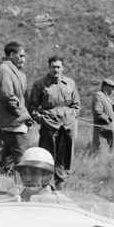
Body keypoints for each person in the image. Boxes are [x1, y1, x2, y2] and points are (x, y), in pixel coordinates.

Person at [28, 55, 80, 188]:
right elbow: (32, 108)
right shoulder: (40, 84)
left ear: (62, 68)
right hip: (49, 127)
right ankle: (45, 185)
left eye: (58, 67)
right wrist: (43, 120)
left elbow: (76, 105)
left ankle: (61, 184)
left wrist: (72, 117)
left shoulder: (70, 83)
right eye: (53, 67)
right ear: (49, 68)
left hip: (67, 127)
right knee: (46, 155)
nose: (55, 70)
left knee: (65, 156)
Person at [0, 41, 33, 170]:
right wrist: (24, 115)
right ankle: (21, 187)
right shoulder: (5, 71)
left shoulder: (13, 72)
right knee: (21, 161)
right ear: (11, 55)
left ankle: (5, 186)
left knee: (7, 162)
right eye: (21, 56)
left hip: (14, 122)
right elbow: (7, 96)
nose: (23, 60)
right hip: (15, 123)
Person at [90, 78, 114, 152]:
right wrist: (107, 119)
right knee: (101, 152)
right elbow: (98, 112)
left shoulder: (109, 98)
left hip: (110, 130)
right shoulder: (98, 95)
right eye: (112, 88)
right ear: (106, 87)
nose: (113, 90)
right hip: (103, 130)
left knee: (110, 154)